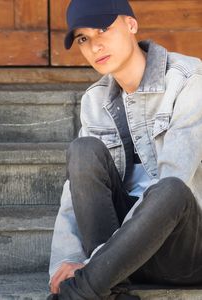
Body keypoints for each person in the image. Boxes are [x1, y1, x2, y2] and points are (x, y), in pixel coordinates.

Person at [47, 0, 202, 299]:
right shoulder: (95, 101)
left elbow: (177, 178)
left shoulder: (189, 81)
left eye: (103, 29)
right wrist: (66, 260)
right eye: (83, 38)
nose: (95, 46)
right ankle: (108, 287)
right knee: (83, 150)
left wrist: (91, 265)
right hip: (119, 258)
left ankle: (82, 291)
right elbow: (73, 196)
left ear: (131, 25)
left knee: (170, 189)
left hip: (187, 250)